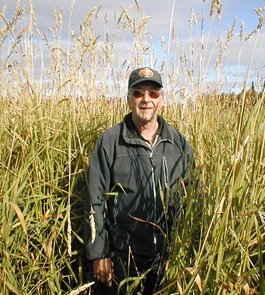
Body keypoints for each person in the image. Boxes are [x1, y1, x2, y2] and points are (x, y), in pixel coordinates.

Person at [84, 67, 195, 294]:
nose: (146, 99)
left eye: (153, 93)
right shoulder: (110, 142)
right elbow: (94, 200)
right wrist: (99, 253)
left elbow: (193, 194)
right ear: (128, 98)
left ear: (161, 100)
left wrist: (189, 247)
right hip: (123, 258)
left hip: (169, 256)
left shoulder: (178, 143)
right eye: (138, 93)